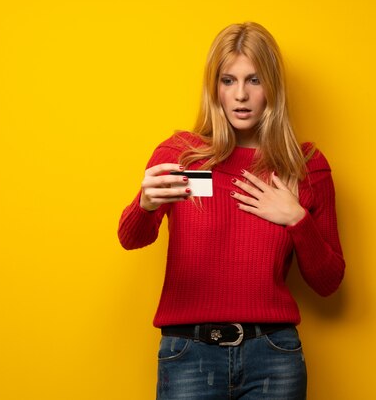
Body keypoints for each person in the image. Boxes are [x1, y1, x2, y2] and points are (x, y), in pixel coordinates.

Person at [118, 22, 345, 399]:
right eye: (228, 80)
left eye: (254, 80)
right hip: (189, 354)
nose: (241, 95)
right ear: (215, 88)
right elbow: (131, 238)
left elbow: (329, 282)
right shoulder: (181, 155)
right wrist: (144, 205)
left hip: (273, 357)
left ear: (272, 87)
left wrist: (296, 219)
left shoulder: (304, 165)